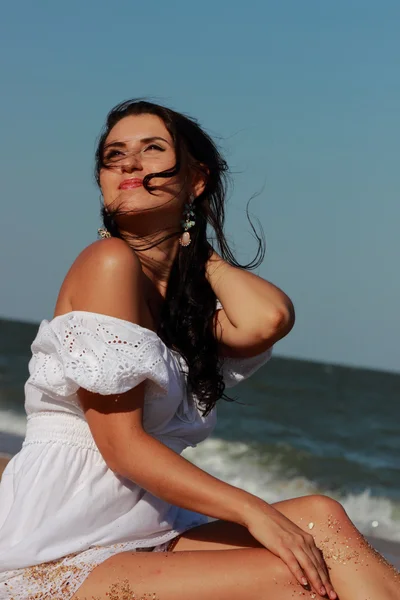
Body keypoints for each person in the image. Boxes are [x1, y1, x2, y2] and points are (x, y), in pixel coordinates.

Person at [0, 100, 398, 600]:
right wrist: (254, 509)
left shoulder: (181, 310)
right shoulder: (107, 262)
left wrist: (188, 247)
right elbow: (122, 448)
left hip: (147, 526)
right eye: (114, 155)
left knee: (322, 518)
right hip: (60, 541)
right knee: (297, 578)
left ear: (196, 179)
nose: (130, 163)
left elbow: (268, 318)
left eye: (152, 150)